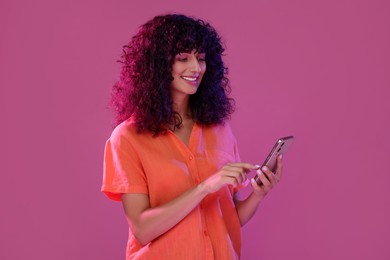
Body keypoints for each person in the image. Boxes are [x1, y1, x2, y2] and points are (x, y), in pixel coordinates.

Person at [101, 13, 283, 260]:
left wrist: (259, 193)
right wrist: (205, 187)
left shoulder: (218, 130)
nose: (196, 68)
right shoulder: (127, 138)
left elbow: (230, 219)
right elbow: (143, 229)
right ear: (158, 65)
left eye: (201, 58)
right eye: (183, 58)